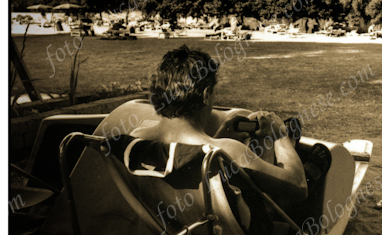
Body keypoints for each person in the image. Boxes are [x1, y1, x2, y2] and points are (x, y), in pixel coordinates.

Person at [131, 45, 307, 208]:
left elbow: (187, 157)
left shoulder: (135, 139)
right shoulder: (231, 151)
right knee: (314, 164)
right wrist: (280, 136)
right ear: (206, 95)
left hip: (170, 231)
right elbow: (299, 188)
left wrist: (221, 135)